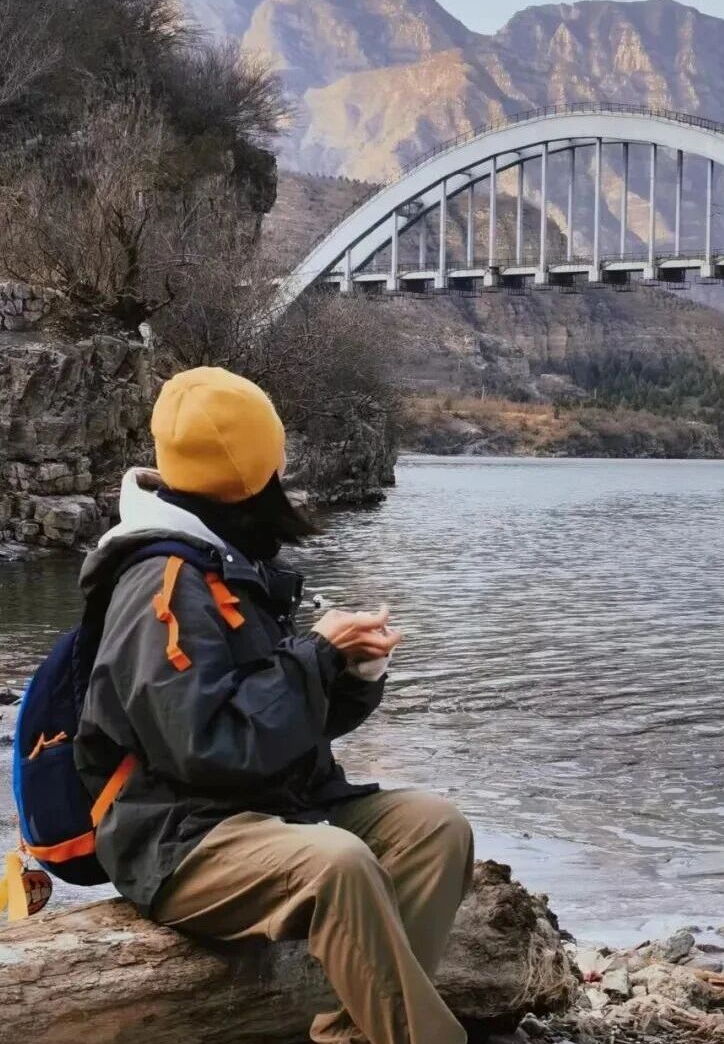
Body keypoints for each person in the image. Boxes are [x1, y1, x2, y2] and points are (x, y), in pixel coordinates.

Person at [74, 366, 474, 1044]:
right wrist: (312, 656)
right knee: (338, 863)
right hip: (179, 837)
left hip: (264, 806)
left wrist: (349, 674)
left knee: (435, 829)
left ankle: (358, 1030)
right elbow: (208, 745)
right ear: (251, 470)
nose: (284, 466)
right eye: (274, 453)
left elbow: (278, 725)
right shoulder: (162, 584)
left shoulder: (223, 559)